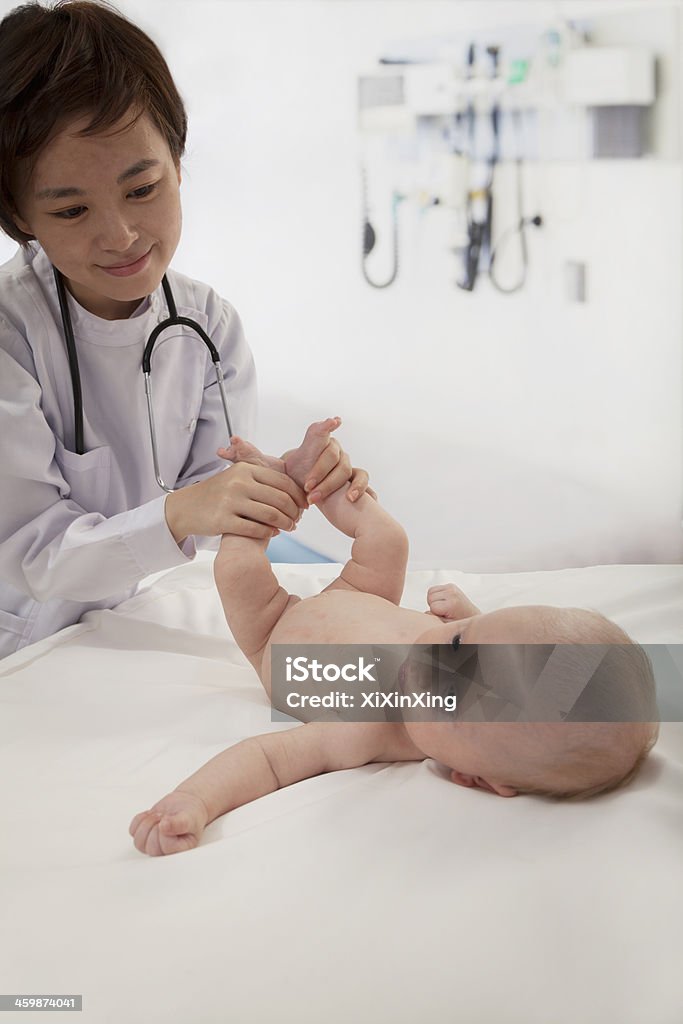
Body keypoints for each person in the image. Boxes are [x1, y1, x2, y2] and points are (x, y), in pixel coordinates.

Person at [0, 1, 369, 658]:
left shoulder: (207, 326)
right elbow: (32, 552)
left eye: (142, 189)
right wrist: (182, 513)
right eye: (72, 209)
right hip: (19, 644)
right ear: (21, 215)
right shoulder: (12, 335)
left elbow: (210, 496)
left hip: (130, 620)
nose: (119, 235)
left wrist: (280, 481)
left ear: (176, 160)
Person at [129, 417, 660, 857]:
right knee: (389, 540)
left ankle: (261, 495)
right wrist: (468, 619)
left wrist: (194, 801)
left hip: (275, 629)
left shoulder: (366, 728)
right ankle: (312, 478)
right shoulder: (475, 654)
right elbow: (496, 650)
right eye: (458, 644)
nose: (428, 657)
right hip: (368, 597)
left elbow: (265, 760)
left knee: (237, 571)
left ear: (474, 776)